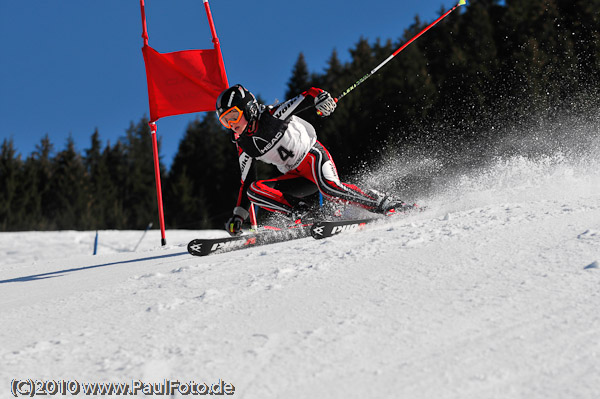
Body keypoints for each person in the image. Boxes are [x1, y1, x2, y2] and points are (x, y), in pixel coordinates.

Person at [216, 84, 410, 236]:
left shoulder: (272, 116)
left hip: (313, 156)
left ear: (248, 109)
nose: (231, 125)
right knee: (254, 190)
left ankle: (384, 203)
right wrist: (238, 216)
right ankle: (304, 214)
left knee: (330, 188)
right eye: (224, 121)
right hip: (297, 178)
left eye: (233, 116)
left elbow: (308, 95)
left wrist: (322, 98)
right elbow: (247, 182)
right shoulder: (244, 146)